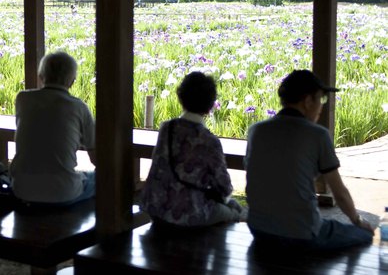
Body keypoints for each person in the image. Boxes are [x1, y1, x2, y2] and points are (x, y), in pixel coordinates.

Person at [244, 69, 374, 250]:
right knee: (365, 234)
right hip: (302, 234)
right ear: (307, 101)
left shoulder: (256, 130)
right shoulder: (318, 135)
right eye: (320, 99)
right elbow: (340, 194)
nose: (321, 106)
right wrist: (358, 221)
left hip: (259, 229)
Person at [140, 71, 243, 227]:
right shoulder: (209, 140)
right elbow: (224, 187)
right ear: (210, 105)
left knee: (229, 206)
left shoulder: (166, 129)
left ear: (181, 98)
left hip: (156, 207)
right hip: (188, 214)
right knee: (234, 211)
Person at [10, 51, 96, 206]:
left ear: (41, 76)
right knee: (98, 178)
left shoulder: (23, 99)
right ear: (72, 81)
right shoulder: (78, 106)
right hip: (64, 192)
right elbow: (96, 158)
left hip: (22, 189)